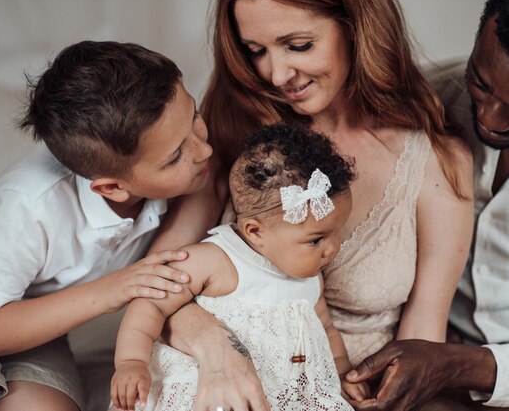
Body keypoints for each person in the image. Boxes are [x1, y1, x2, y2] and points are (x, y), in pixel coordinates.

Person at [153, 0, 474, 410]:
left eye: (298, 45)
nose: (276, 74)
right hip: (222, 383)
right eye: (256, 52)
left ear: (357, 28)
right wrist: (215, 346)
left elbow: (421, 337)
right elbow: (154, 280)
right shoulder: (237, 136)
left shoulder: (437, 159)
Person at [346, 0, 509, 410]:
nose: (490, 119)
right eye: (481, 82)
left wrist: (460, 364)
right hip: (425, 361)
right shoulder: (429, 100)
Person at [0, 41, 220, 411]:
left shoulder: (185, 169)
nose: (202, 150)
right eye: (176, 155)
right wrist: (111, 290)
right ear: (111, 188)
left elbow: (210, 186)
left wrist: (157, 262)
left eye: (194, 116)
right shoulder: (29, 207)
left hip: (32, 321)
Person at [109, 124, 369, 411]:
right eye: (316, 239)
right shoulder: (216, 260)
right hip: (207, 389)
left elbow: (327, 330)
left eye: (336, 233)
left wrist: (343, 374)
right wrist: (130, 361)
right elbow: (152, 303)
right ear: (255, 231)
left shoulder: (310, 280)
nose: (332, 248)